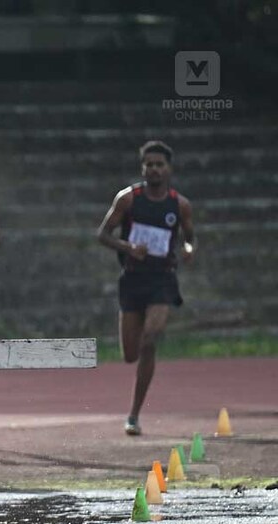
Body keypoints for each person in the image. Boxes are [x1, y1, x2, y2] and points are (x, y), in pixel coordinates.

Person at [96, 141, 195, 436]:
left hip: (162, 279)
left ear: (169, 169)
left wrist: (189, 249)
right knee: (129, 353)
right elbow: (102, 234)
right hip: (133, 277)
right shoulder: (128, 199)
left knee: (150, 340)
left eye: (159, 164)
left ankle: (134, 414)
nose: (154, 169)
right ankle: (137, 382)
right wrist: (127, 246)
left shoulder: (180, 205)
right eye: (149, 164)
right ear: (143, 168)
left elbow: (190, 238)